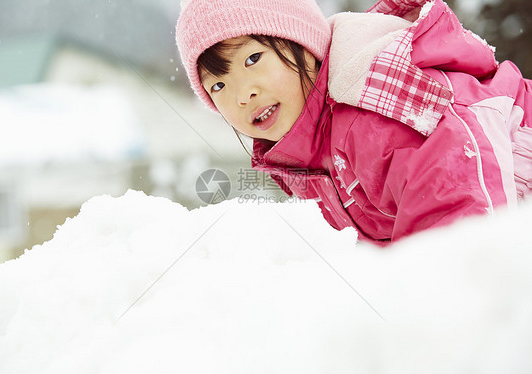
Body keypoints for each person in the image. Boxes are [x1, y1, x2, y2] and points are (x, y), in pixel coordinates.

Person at [176, 0, 532, 244]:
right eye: (218, 85)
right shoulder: (308, 151)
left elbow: (460, 233)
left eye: (253, 59)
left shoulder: (374, 111)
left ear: (301, 41)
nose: (242, 94)